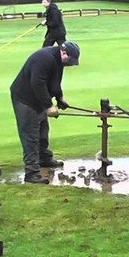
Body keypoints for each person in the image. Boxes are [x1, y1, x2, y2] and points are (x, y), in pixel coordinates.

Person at [10, 41, 80, 184]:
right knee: (31, 135)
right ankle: (31, 174)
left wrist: (59, 98)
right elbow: (38, 83)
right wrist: (48, 106)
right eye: (71, 60)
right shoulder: (44, 58)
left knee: (43, 130)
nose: (71, 64)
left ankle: (44, 159)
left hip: (38, 99)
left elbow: (55, 81)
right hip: (25, 99)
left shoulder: (58, 60)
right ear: (64, 52)